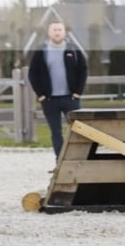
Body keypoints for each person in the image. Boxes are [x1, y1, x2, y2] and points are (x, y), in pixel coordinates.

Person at [27, 20, 88, 165]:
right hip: (50, 100)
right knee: (56, 132)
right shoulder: (41, 51)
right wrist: (40, 94)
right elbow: (32, 73)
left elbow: (83, 70)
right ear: (49, 32)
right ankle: (60, 161)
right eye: (54, 30)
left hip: (70, 98)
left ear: (64, 32)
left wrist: (78, 92)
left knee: (77, 130)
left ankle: (77, 160)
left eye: (59, 29)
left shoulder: (73, 50)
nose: (57, 32)